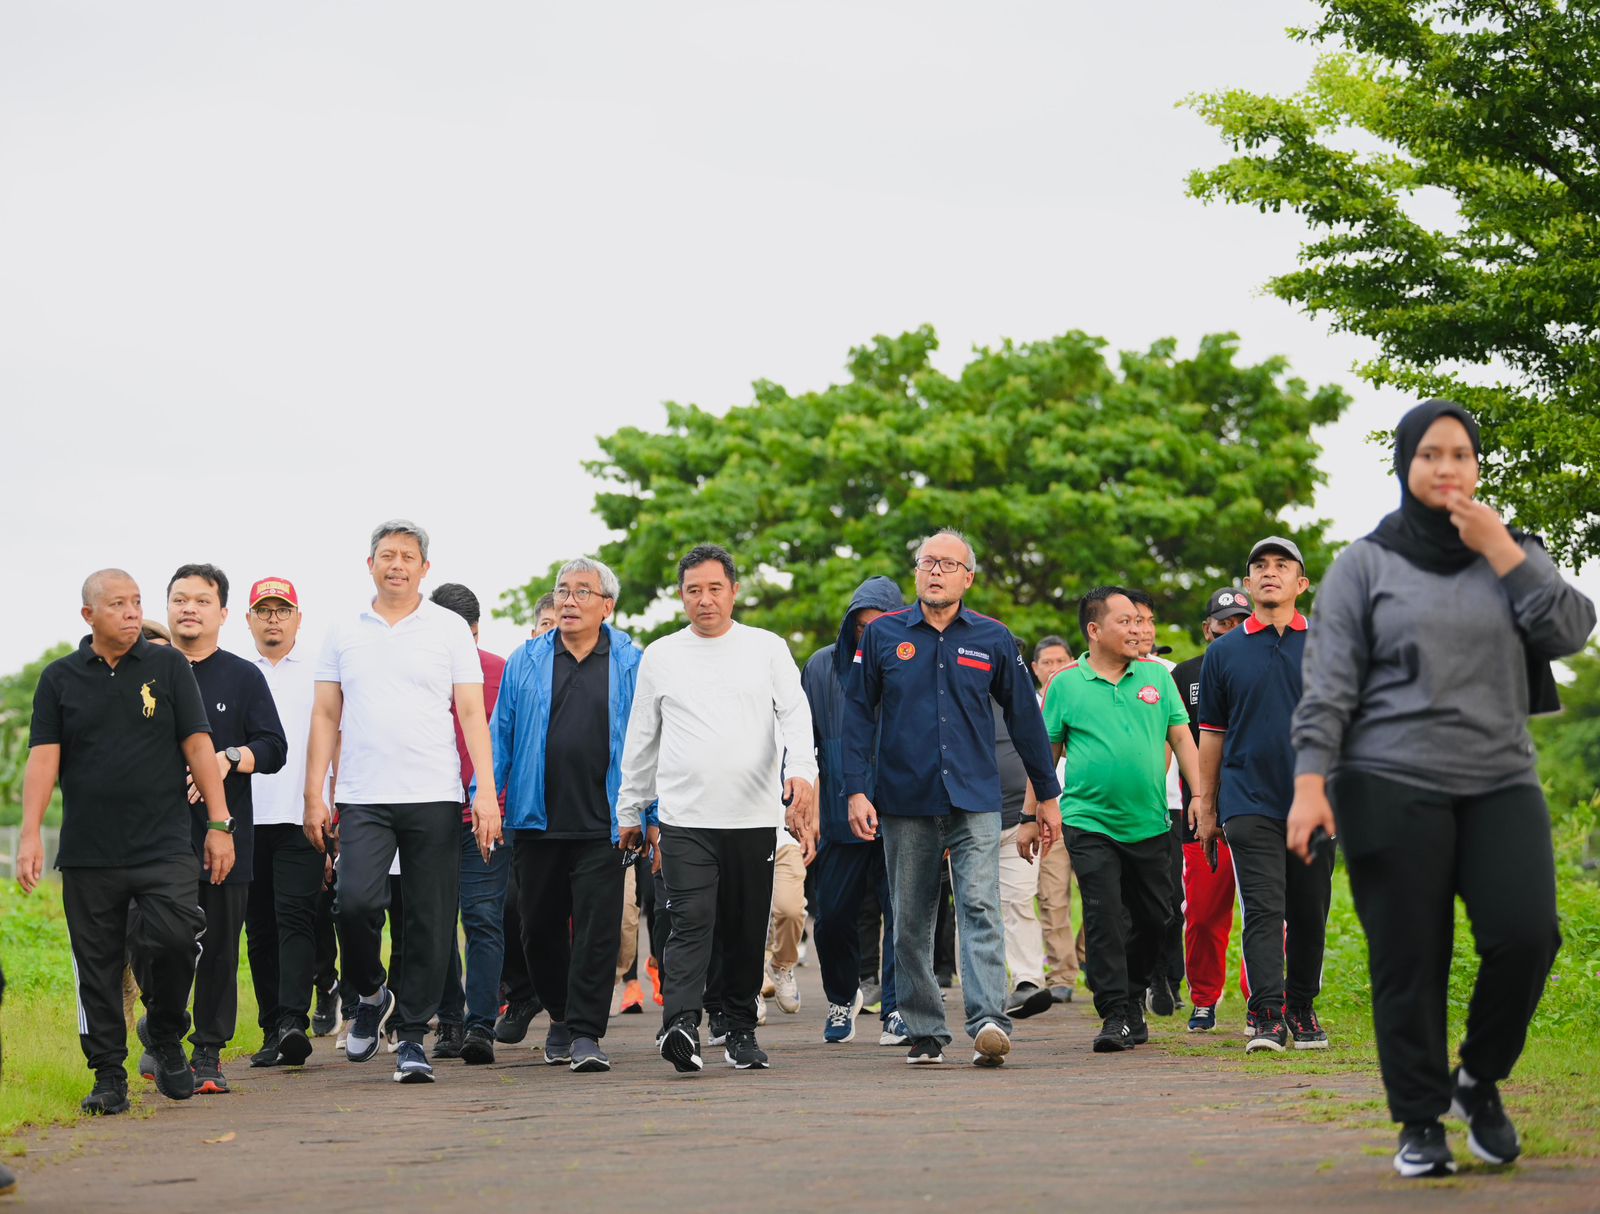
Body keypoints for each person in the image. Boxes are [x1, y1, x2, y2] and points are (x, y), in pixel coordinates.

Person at [1288, 399, 1595, 1178]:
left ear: (1478, 467)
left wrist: (1503, 550)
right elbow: (1328, 686)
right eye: (1431, 454)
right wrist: (1310, 782)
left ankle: (1478, 1080)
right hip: (1387, 780)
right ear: (1405, 464)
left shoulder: (1513, 550)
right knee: (1410, 956)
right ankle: (1420, 1120)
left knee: (1528, 936)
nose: (1447, 467)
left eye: (1461, 454)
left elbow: (1569, 631)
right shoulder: (1364, 565)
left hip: (1500, 776)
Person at [845, 530, 1062, 1068]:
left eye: (948, 564)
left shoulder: (993, 638)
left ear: (968, 578)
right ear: (916, 572)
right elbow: (857, 716)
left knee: (981, 907)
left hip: (975, 798)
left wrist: (1047, 796)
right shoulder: (883, 636)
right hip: (905, 799)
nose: (935, 571)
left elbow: (1026, 720)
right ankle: (924, 1029)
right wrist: (856, 790)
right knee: (910, 920)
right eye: (927, 562)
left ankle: (989, 1021)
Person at [19, 570, 229, 1113]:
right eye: (118, 604)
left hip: (163, 845)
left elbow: (199, 745)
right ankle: (108, 1076)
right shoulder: (60, 679)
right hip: (89, 852)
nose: (133, 612)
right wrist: (30, 834)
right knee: (98, 966)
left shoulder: (168, 667)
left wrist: (219, 823)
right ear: (89, 615)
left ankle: (165, 1031)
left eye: (136, 602)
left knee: (177, 938)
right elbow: (43, 759)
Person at [304, 520, 501, 1085]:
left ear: (424, 568)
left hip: (433, 794)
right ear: (370, 564)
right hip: (363, 795)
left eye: (407, 556)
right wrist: (314, 792)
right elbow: (326, 713)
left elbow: (471, 713)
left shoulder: (448, 629)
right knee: (354, 903)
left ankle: (412, 1036)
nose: (397, 564)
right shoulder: (343, 629)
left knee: (429, 921)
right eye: (387, 555)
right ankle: (371, 993)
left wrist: (485, 793)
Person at [617, 544, 816, 1073]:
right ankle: (681, 1025)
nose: (704, 600)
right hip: (685, 819)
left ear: (733, 591)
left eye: (714, 589)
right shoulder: (661, 655)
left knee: (744, 928)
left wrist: (801, 772)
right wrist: (630, 810)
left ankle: (740, 1029)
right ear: (681, 596)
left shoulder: (766, 648)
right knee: (689, 921)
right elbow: (642, 737)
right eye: (693, 591)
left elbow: (796, 716)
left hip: (753, 818)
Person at [1033, 586, 1209, 1053]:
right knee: (1104, 915)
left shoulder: (1158, 677)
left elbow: (1182, 738)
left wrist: (1200, 796)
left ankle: (1132, 995)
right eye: (1126, 621)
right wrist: (1034, 813)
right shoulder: (1065, 683)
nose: (1138, 629)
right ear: (1095, 630)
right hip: (1087, 820)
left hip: (1150, 821)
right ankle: (1115, 1012)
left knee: (1156, 917)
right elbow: (1046, 753)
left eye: (1140, 621)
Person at [138, 564, 287, 1095]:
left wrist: (228, 758)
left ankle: (207, 1053)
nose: (189, 609)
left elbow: (274, 747)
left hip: (224, 834)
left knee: (220, 947)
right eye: (180, 599)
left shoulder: (243, 677)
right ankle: (162, 1029)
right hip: (151, 838)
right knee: (152, 942)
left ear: (223, 613)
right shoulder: (142, 673)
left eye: (202, 601)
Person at [495, 558, 642, 1074]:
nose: (569, 601)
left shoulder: (631, 661)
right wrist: (486, 798)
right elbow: (501, 734)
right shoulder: (526, 659)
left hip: (607, 823)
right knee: (537, 929)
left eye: (583, 591)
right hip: (536, 819)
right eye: (563, 590)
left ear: (608, 606)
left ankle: (584, 1033)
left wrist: (650, 813)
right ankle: (559, 1013)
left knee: (599, 932)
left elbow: (648, 741)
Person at [1197, 538, 1333, 1055]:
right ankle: (1268, 1015)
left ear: (1301, 583)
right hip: (1248, 800)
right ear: (1248, 583)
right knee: (1263, 908)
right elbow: (1212, 734)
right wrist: (1207, 805)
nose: (1269, 572)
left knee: (1309, 912)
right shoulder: (1224, 653)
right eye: (1260, 566)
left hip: (1316, 801)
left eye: (1282, 565)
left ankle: (1301, 1006)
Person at [800, 576, 905, 1046]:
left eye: (880, 625)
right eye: (862, 626)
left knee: (903, 917)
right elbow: (803, 742)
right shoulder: (821, 666)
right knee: (833, 919)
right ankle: (842, 998)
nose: (870, 634)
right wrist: (804, 808)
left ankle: (898, 1008)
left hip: (903, 813)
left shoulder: (916, 660)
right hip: (840, 816)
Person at [243, 577, 333, 1070]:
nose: (273, 619)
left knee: (296, 917)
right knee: (259, 928)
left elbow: (336, 739)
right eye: (264, 610)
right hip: (245, 817)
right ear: (249, 620)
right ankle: (270, 1026)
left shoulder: (320, 671)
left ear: (298, 618)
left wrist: (330, 804)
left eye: (282, 610)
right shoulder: (239, 674)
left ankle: (293, 1021)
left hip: (302, 814)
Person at [426, 583, 509, 1066]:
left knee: (482, 917)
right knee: (436, 921)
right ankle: (450, 1020)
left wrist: (499, 803)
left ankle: (481, 1024)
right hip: (429, 812)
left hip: (487, 814)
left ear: (476, 631)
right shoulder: (417, 672)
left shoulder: (501, 671)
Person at [1169, 587, 1253, 1032]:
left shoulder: (1266, 663)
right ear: (1207, 629)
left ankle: (1263, 998)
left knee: (1264, 910)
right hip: (1201, 813)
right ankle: (1204, 999)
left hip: (1255, 806)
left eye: (1240, 621)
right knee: (1202, 914)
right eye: (1223, 624)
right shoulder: (1185, 675)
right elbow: (1175, 741)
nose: (1231, 630)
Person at [496, 598, 559, 1044]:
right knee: (512, 906)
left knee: (570, 915)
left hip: (584, 815)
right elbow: (499, 737)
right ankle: (523, 993)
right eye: (545, 623)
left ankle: (565, 1013)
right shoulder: (519, 671)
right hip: (525, 814)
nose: (553, 631)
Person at [1127, 589, 1188, 1018]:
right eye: (1135, 620)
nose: (1144, 629)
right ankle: (1134, 983)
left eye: (1149, 620)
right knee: (1126, 902)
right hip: (1117, 805)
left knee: (1170, 898)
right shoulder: (1091, 672)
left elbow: (1185, 736)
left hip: (1170, 802)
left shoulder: (1170, 674)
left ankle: (1169, 979)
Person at [1029, 636, 1079, 1003]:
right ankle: (1061, 974)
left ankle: (1084, 956)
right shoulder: (1026, 707)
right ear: (1035, 669)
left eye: (1061, 661)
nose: (1053, 668)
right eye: (1047, 662)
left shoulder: (1081, 697)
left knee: (1103, 896)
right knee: (1052, 897)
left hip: (1088, 812)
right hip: (1050, 815)